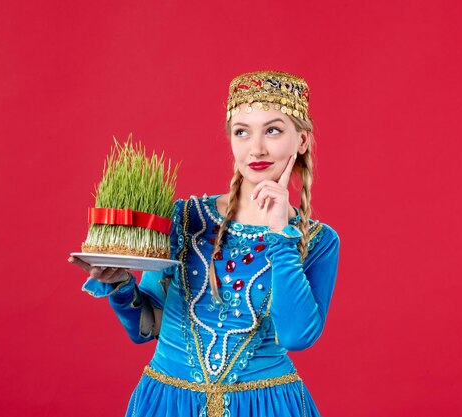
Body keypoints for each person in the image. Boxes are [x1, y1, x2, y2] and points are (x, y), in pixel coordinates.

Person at [69, 70, 340, 417]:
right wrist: (120, 284)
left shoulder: (318, 241)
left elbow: (296, 337)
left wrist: (280, 235)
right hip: (170, 403)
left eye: (273, 130)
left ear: (301, 140)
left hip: (267, 407)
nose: (256, 148)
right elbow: (147, 327)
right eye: (242, 132)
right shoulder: (185, 219)